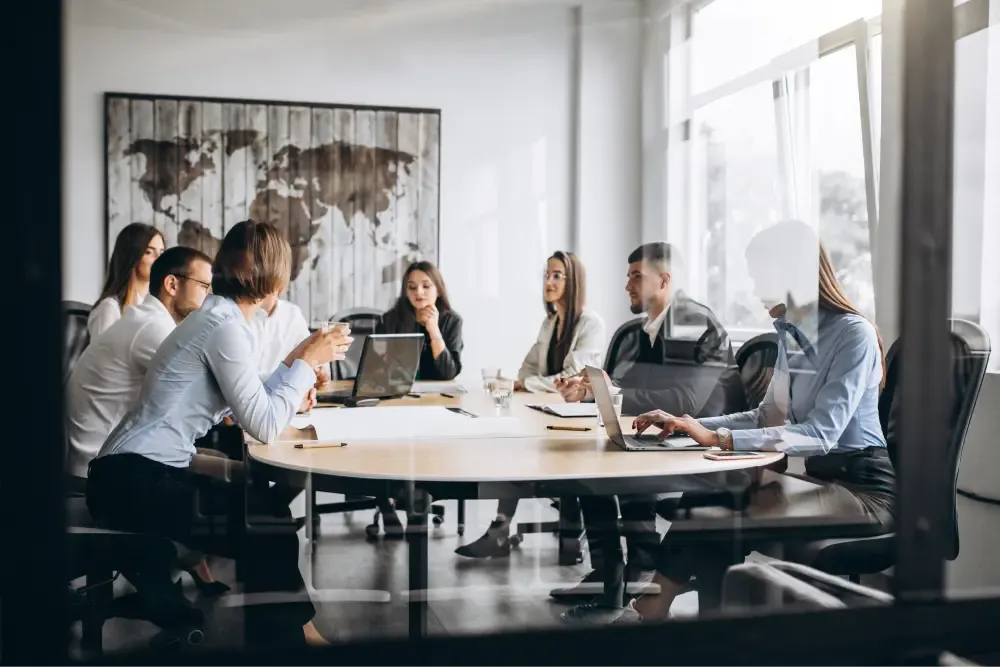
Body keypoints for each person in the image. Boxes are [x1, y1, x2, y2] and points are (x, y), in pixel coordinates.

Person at [86, 220, 352, 647]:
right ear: (278, 282)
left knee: (267, 511)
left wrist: (298, 364)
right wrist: (303, 365)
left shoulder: (219, 320)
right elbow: (263, 424)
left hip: (129, 473)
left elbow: (248, 400)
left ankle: (293, 633)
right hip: (131, 481)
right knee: (266, 523)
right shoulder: (224, 328)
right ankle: (290, 640)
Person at [614, 220, 894, 624]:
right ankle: (694, 622)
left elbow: (822, 434)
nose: (756, 289)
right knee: (708, 501)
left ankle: (659, 607)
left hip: (865, 491)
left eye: (761, 276)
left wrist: (719, 437)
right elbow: (765, 416)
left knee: (720, 515)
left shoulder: (854, 335)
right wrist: (688, 422)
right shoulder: (794, 336)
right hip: (823, 482)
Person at [554, 242, 744, 621]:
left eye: (636, 276)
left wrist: (614, 391)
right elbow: (628, 392)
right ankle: (612, 574)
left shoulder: (692, 321)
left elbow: (686, 398)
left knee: (599, 473)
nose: (628, 285)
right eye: (628, 276)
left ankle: (634, 572)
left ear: (665, 279)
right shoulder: (640, 331)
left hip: (704, 442)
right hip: (664, 437)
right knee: (584, 470)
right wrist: (590, 392)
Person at [68, 246, 226, 592]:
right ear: (172, 284)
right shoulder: (153, 330)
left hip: (112, 453)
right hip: (103, 464)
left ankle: (182, 566)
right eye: (205, 287)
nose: (210, 298)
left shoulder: (147, 320)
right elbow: (212, 392)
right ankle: (171, 571)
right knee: (220, 481)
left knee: (219, 465)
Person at [455, 251, 606, 558]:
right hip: (547, 410)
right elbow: (526, 370)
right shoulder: (550, 323)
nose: (548, 282)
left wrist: (530, 383)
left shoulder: (591, 324)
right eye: (546, 275)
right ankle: (499, 531)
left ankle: (565, 537)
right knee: (513, 445)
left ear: (573, 280)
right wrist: (531, 382)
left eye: (556, 276)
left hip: (577, 419)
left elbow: (570, 379)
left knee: (524, 450)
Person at [376, 261, 463, 381]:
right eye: (412, 287)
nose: (418, 292)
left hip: (438, 394)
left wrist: (434, 331)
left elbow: (449, 372)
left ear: (438, 290)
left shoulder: (453, 321)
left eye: (426, 286)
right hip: (398, 390)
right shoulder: (390, 319)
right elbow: (376, 367)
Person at [89, 223, 166, 339]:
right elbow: (103, 356)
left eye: (161, 253)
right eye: (149, 252)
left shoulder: (157, 307)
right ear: (132, 256)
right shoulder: (109, 309)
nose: (159, 260)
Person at [249, 294, 331, 386]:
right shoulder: (240, 313)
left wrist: (318, 371)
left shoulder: (292, 313)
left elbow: (312, 356)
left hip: (285, 393)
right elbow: (242, 380)